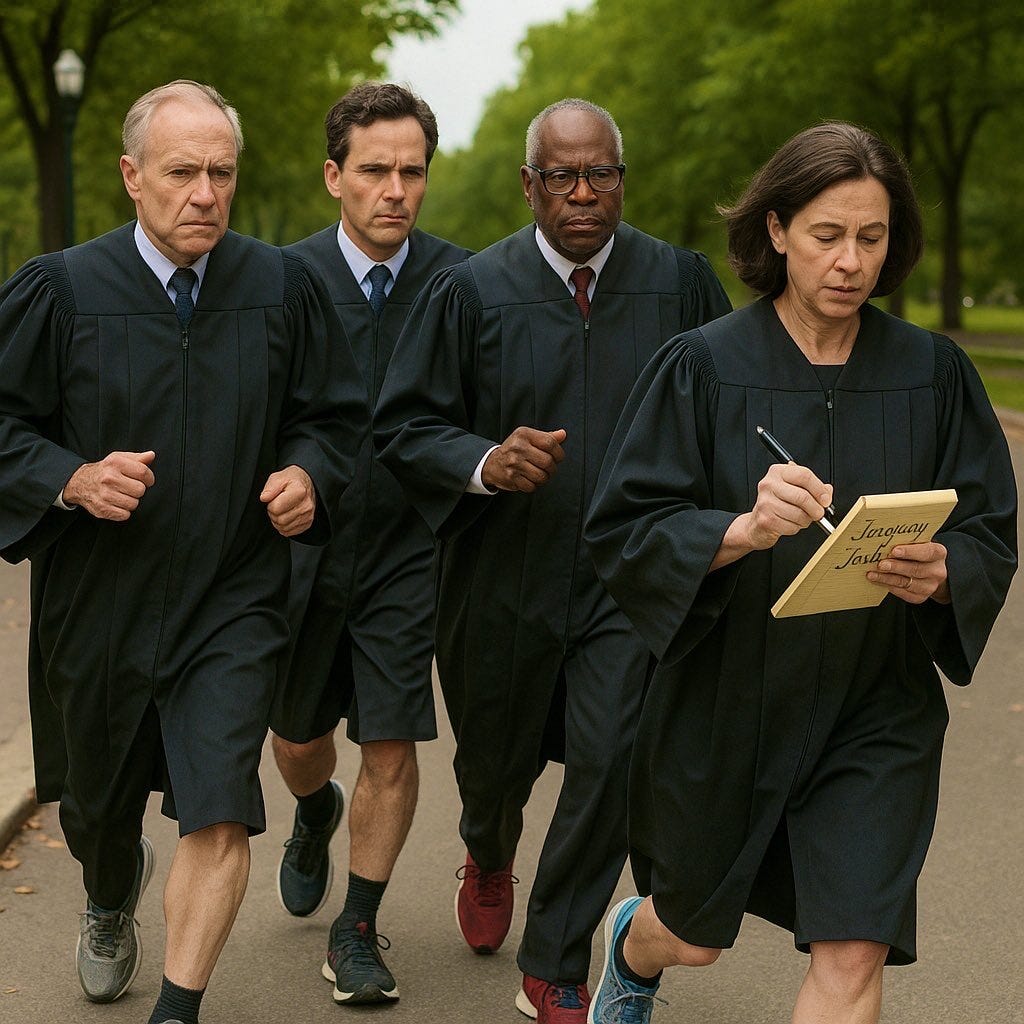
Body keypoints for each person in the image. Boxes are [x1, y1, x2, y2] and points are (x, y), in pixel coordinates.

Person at [584, 121, 1017, 1024]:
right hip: (727, 699)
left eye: (873, 236)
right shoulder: (702, 367)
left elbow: (989, 529)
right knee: (694, 934)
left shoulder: (932, 373)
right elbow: (624, 529)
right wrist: (739, 529)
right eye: (828, 235)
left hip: (877, 701)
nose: (851, 261)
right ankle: (638, 938)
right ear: (776, 230)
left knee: (855, 949)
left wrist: (943, 572)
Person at [0, 81, 365, 1024]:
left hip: (231, 596)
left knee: (217, 806)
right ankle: (110, 892)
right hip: (98, 597)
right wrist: (70, 478)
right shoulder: (62, 290)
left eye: (221, 173)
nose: (205, 193)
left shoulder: (282, 288)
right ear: (132, 178)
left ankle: (177, 1009)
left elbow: (332, 419)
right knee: (95, 811)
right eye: (181, 172)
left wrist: (308, 474)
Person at [374, 98, 731, 1023]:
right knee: (493, 768)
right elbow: (405, 428)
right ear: (528, 184)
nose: (583, 194)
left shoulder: (680, 284)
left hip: (630, 580)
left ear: (622, 178)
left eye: (600, 174)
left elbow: (723, 414)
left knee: (611, 759)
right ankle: (488, 851)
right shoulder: (468, 292)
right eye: (562, 177)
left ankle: (559, 958)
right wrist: (485, 462)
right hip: (501, 577)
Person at [269, 82, 471, 1006]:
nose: (396, 189)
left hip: (410, 550)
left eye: (412, 171)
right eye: (376, 170)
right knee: (299, 735)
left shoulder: (464, 286)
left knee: (391, 742)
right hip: (303, 553)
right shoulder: (279, 281)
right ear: (334, 177)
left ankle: (357, 926)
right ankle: (312, 810)